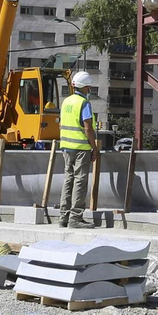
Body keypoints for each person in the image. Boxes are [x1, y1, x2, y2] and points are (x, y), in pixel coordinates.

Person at [57, 72, 99, 228]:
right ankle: (75, 218)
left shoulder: (66, 101)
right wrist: (94, 148)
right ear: (86, 87)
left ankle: (64, 217)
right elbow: (88, 128)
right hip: (81, 148)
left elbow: (61, 124)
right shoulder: (84, 103)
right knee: (80, 180)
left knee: (68, 179)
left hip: (66, 147)